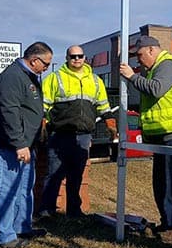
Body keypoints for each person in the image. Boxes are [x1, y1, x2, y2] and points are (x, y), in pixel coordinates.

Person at [120, 36, 172, 242]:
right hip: (166, 135)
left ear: (152, 50)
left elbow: (156, 89)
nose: (138, 61)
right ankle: (169, 223)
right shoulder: (154, 69)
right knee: (162, 182)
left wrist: (131, 77)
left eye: (139, 55)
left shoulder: (167, 65)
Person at [0, 41, 53, 248]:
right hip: (7, 146)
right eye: (46, 64)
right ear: (34, 60)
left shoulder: (29, 77)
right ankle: (5, 237)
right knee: (7, 190)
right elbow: (9, 112)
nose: (47, 68)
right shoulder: (13, 76)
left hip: (25, 144)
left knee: (24, 188)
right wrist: (19, 144)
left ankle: (22, 227)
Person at [38, 45, 117, 219]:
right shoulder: (54, 78)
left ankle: (74, 211)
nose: (76, 59)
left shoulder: (95, 80)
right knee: (53, 174)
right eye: (73, 56)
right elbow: (43, 105)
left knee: (76, 176)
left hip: (83, 136)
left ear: (84, 58)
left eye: (80, 56)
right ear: (67, 58)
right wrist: (42, 125)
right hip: (59, 134)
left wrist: (111, 124)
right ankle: (46, 210)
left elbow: (103, 106)